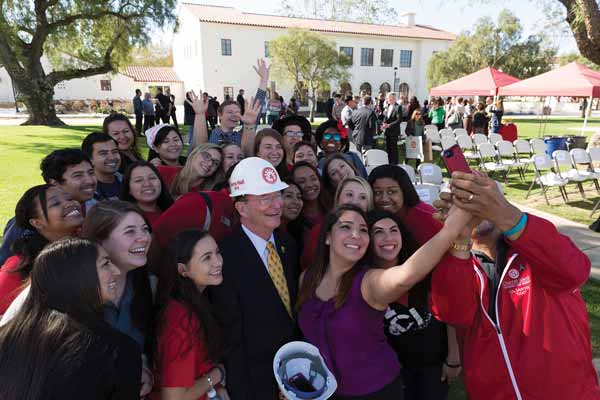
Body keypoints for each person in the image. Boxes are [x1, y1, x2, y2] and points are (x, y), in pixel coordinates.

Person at [430, 171, 600, 400]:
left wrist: (507, 215)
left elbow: (575, 271)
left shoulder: (535, 245)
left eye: (481, 198)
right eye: (464, 200)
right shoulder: (456, 261)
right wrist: (458, 239)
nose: (475, 208)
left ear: (499, 203)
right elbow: (454, 314)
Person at [296, 203, 470, 398]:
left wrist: (451, 229)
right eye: (346, 227)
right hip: (323, 390)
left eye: (363, 230)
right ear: (328, 237)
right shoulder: (307, 279)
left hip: (374, 390)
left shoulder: (369, 282)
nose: (356, 234)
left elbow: (406, 275)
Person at [0, 238, 141, 399]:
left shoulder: (6, 337)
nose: (116, 271)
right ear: (78, 276)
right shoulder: (118, 350)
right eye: (105, 264)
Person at [210, 157, 300, 399]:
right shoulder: (225, 257)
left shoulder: (288, 245)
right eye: (265, 198)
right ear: (241, 208)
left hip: (294, 375)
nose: (276, 204)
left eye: (277, 195)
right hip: (254, 384)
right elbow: (231, 337)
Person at [369, 210, 461, 400]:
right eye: (378, 232)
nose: (388, 238)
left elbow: (450, 314)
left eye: (394, 230)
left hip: (435, 364)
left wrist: (454, 358)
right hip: (396, 371)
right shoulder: (365, 282)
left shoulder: (423, 269)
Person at [82, 200, 155, 397]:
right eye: (130, 232)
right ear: (100, 241)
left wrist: (144, 367)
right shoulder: (74, 292)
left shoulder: (149, 286)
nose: (143, 238)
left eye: (145, 229)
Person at [152, 230, 228, 399]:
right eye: (207, 257)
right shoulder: (180, 317)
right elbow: (174, 397)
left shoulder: (195, 301)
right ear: (183, 269)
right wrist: (218, 374)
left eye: (217, 253)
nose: (218, 262)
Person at [0, 184, 84, 315]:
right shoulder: (19, 267)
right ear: (37, 223)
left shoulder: (92, 247)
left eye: (69, 198)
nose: (70, 204)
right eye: (55, 203)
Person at [187, 60, 268, 156]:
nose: (234, 115)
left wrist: (264, 81)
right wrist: (200, 114)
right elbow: (198, 149)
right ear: (220, 115)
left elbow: (256, 111)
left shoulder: (242, 135)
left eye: (238, 112)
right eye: (230, 112)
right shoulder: (208, 135)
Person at [300, 176, 373, 272]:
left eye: (363, 197)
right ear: (338, 198)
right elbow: (308, 264)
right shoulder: (321, 229)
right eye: (349, 195)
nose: (355, 202)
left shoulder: (375, 230)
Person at [120, 161, 174, 227]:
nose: (147, 184)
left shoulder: (172, 209)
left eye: (152, 178)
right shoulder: (127, 220)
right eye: (139, 180)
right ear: (129, 189)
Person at [82, 132, 123, 201]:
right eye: (103, 153)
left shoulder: (128, 182)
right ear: (90, 159)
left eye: (114, 152)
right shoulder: (85, 192)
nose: (112, 157)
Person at [382, 92, 402, 165]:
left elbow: (399, 120)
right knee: (388, 148)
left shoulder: (398, 107)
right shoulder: (388, 106)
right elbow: (386, 117)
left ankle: (395, 164)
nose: (388, 99)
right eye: (388, 98)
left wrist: (389, 125)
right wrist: (383, 124)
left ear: (394, 98)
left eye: (389, 98)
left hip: (394, 131)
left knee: (393, 149)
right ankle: (389, 163)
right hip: (387, 132)